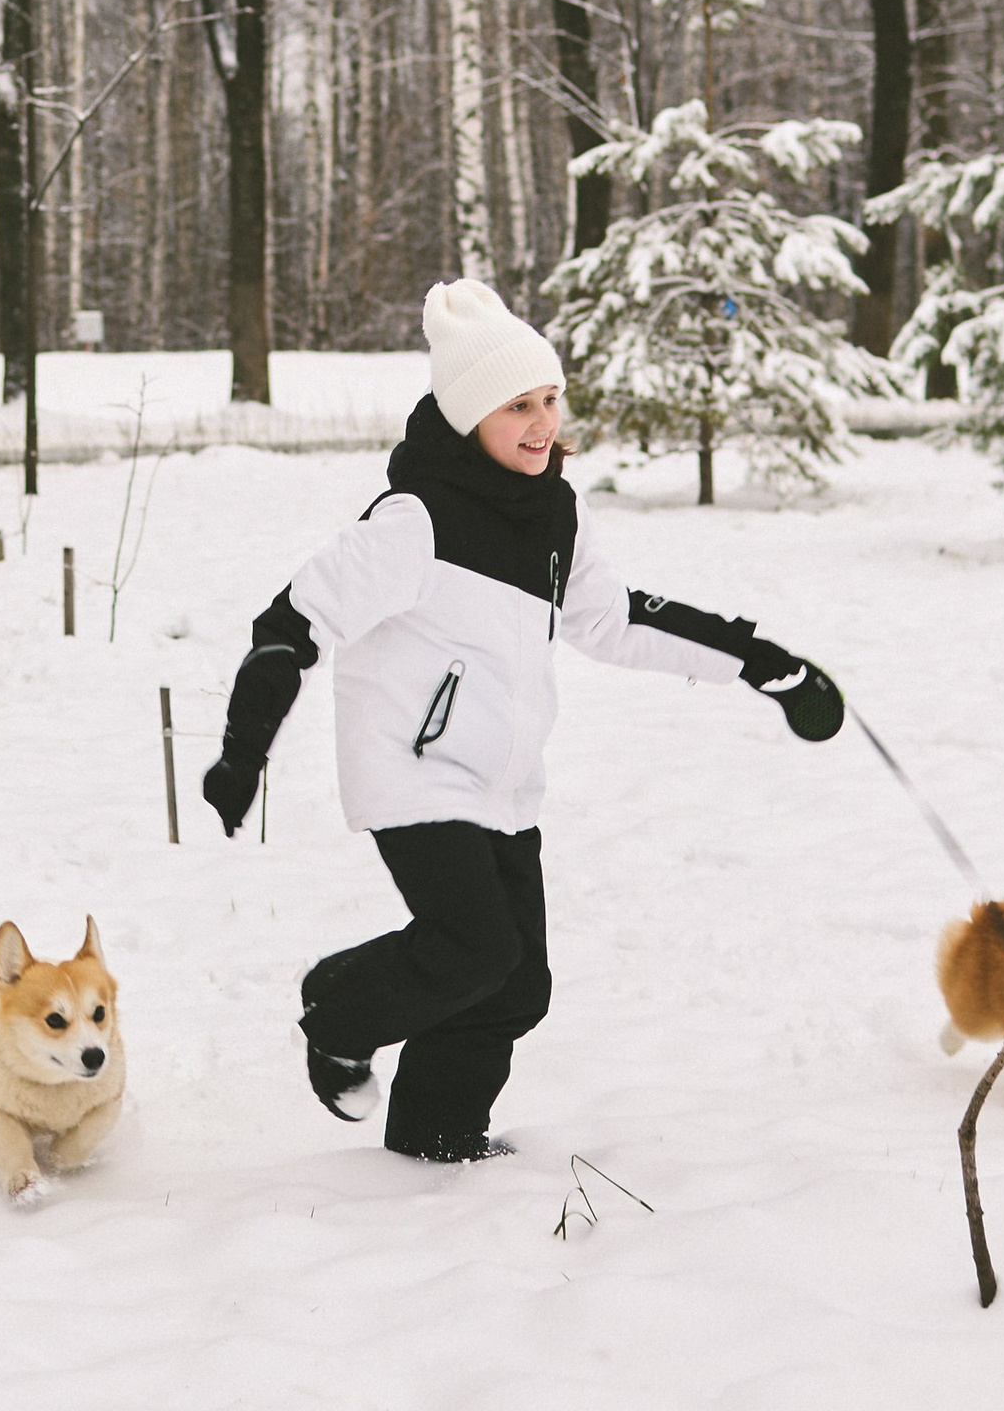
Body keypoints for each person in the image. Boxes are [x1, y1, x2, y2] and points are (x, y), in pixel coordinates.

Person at [199, 279, 844, 1164]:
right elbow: (291, 626)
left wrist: (757, 661)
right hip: (410, 770)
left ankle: (437, 1135)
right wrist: (243, 753)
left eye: (550, 400)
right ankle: (340, 1013)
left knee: (518, 984)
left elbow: (615, 621)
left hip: (504, 781)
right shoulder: (412, 520)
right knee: (470, 948)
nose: (543, 424)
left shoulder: (551, 512)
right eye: (517, 407)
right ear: (469, 416)